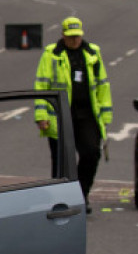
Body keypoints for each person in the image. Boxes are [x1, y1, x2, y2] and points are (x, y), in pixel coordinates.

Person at [34, 16, 112, 213]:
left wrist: (105, 117)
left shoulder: (93, 53)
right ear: (63, 35)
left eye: (77, 36)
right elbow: (41, 85)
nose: (74, 40)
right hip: (60, 115)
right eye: (70, 37)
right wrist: (41, 115)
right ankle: (60, 201)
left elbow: (103, 86)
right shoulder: (51, 54)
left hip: (87, 114)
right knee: (61, 161)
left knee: (91, 153)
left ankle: (81, 194)